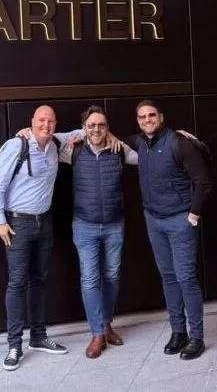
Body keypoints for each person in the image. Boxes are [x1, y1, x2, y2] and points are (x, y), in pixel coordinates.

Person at [124, 99, 213, 360]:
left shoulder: (179, 143)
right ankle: (178, 332)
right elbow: (105, 135)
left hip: (179, 220)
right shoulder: (140, 142)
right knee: (169, 277)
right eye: (142, 117)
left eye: (151, 115)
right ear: (138, 121)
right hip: (154, 219)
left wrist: (192, 216)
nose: (147, 120)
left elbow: (203, 182)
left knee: (186, 278)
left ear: (161, 117)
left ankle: (196, 338)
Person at [0, 105, 68, 371]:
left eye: (51, 121)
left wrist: (110, 136)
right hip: (17, 225)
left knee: (39, 281)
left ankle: (38, 336)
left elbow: (83, 132)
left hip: (44, 223)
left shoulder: (55, 145)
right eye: (41, 120)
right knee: (17, 283)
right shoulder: (17, 145)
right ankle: (14, 345)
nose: (46, 125)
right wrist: (0, 221)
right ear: (32, 121)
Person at [56, 105, 137, 358]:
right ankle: (97, 334)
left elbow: (148, 156)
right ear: (83, 128)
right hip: (84, 225)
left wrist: (180, 139)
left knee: (111, 276)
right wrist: (26, 132)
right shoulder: (73, 150)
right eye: (91, 125)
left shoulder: (119, 150)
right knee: (90, 279)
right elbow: (45, 141)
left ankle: (106, 324)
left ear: (108, 128)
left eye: (101, 125)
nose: (96, 129)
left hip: (114, 224)